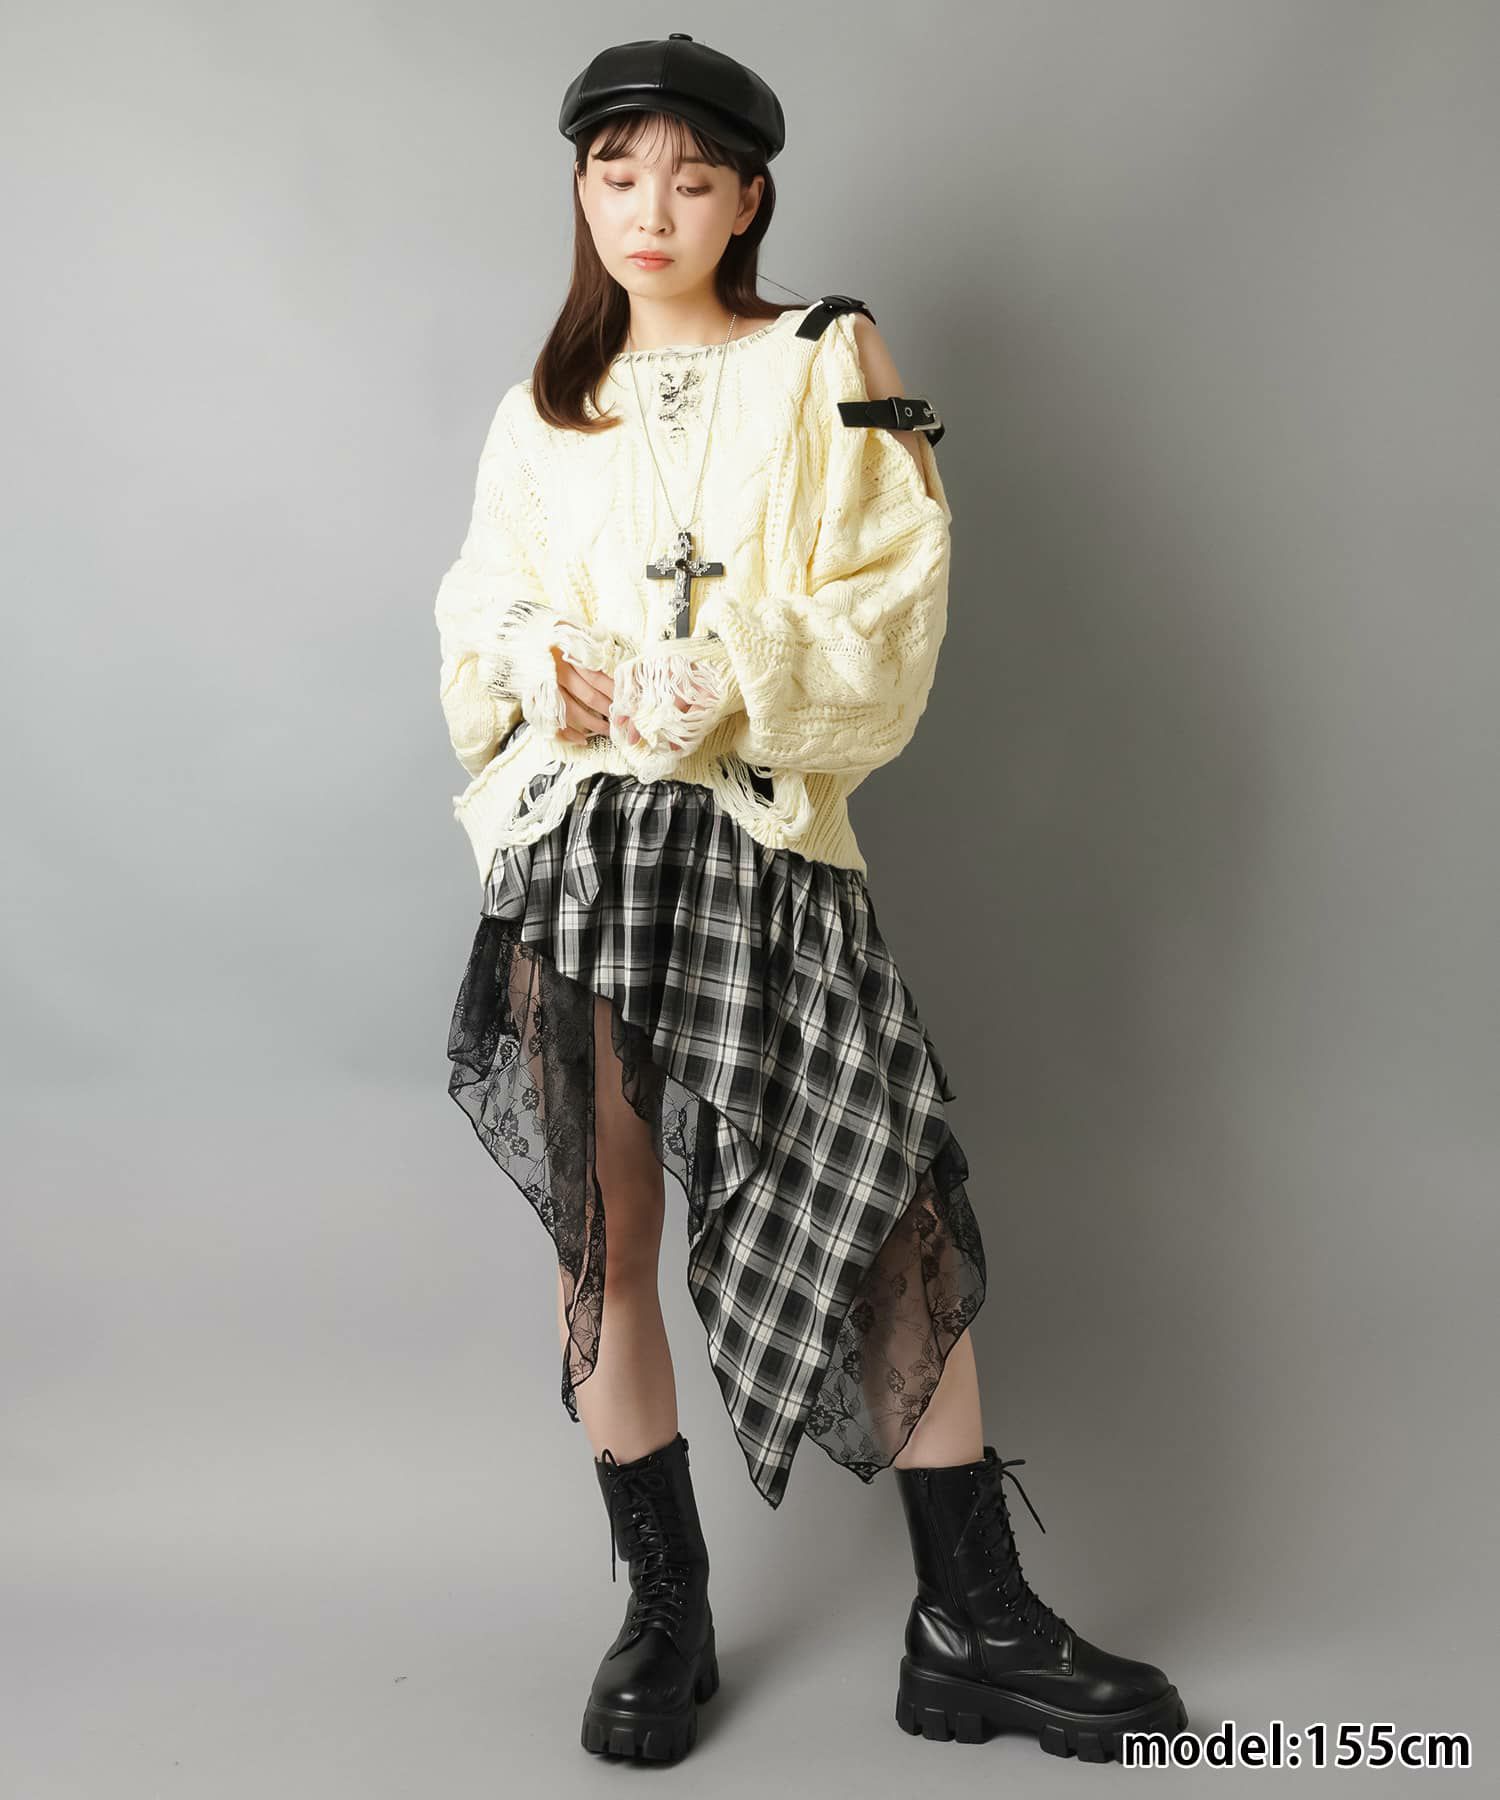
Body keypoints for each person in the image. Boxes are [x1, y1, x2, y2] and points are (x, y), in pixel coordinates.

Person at [435, 31, 1186, 1769]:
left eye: (691, 177)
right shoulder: (541, 409)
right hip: (586, 858)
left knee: (883, 1204)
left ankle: (973, 1622)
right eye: (617, 172)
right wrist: (549, 662)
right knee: (606, 1236)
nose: (649, 208)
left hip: (764, 854)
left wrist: (723, 677)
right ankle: (666, 1608)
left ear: (749, 197)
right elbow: (479, 611)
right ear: (581, 188)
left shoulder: (831, 356)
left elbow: (896, 598)